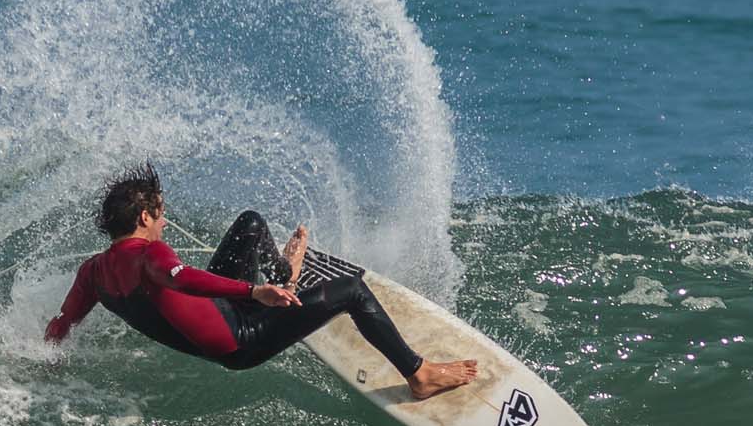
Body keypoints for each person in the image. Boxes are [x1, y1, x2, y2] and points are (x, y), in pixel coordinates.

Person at [44, 164, 478, 400]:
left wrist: (47, 359)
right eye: (160, 213)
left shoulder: (93, 273)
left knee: (250, 224)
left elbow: (62, 324)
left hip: (221, 312)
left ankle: (286, 273)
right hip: (241, 340)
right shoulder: (152, 255)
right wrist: (254, 292)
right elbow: (184, 278)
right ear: (143, 218)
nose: (164, 221)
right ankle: (419, 374)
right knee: (351, 290)